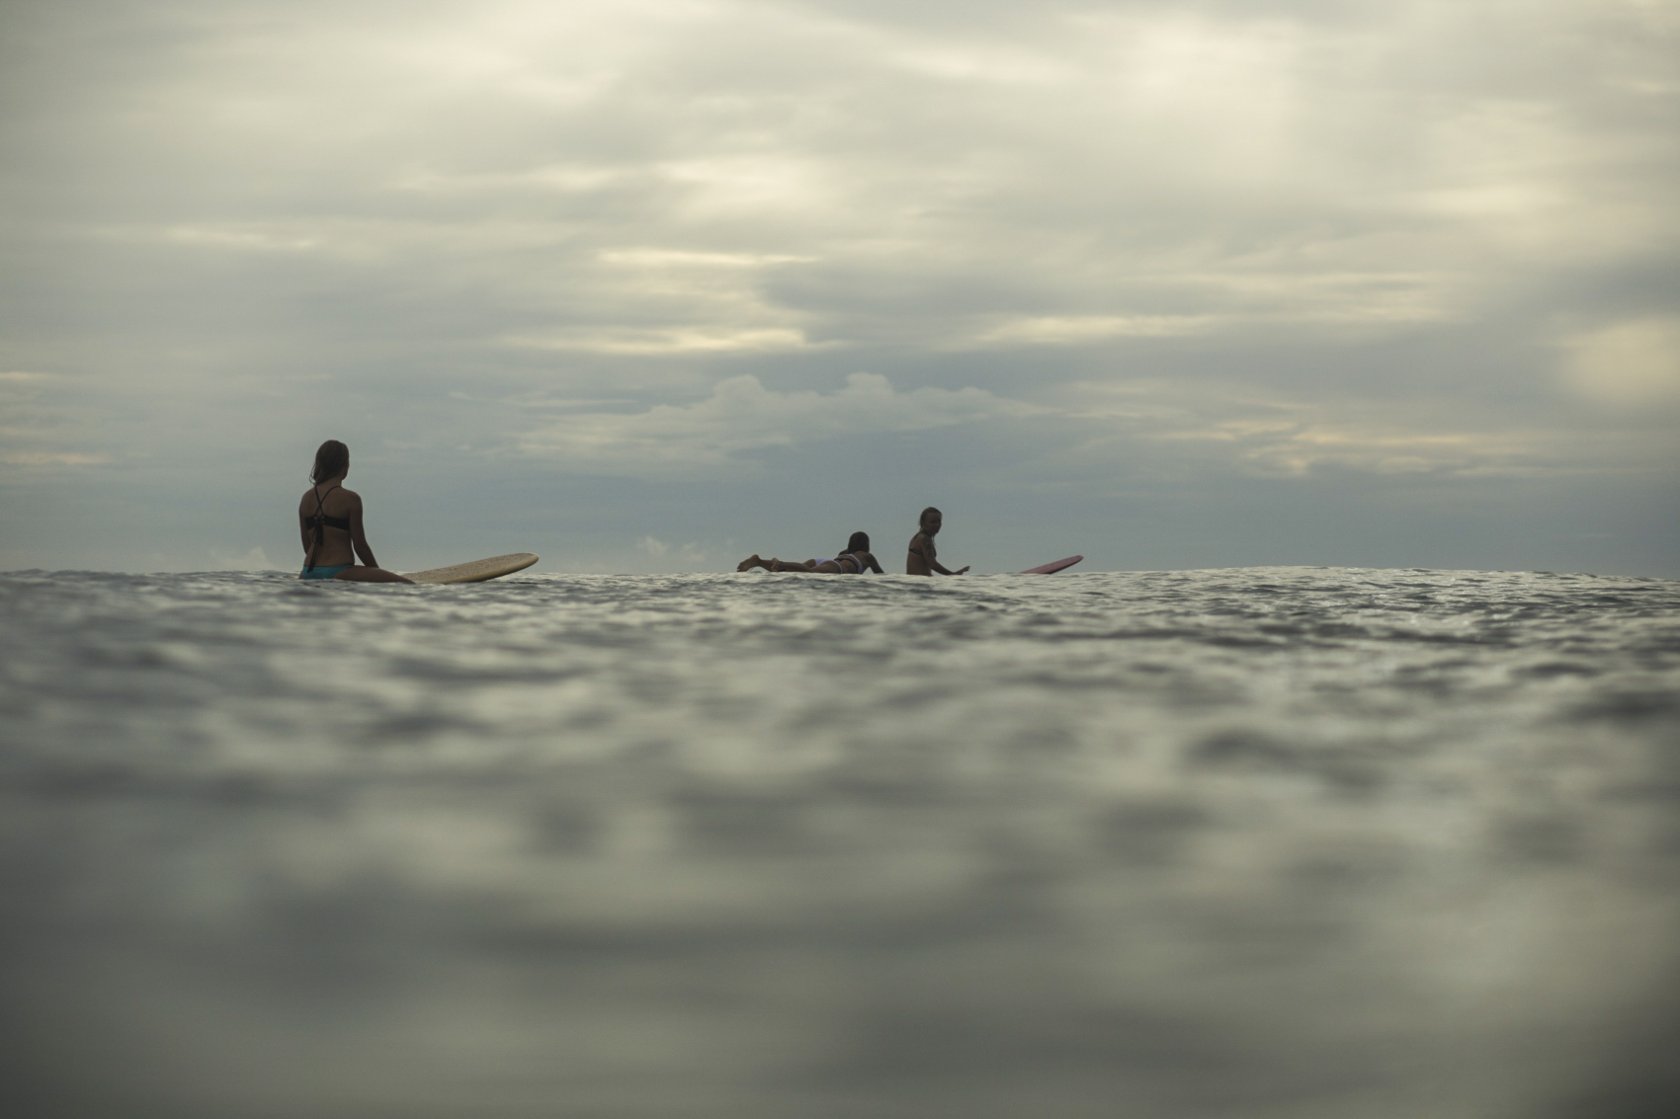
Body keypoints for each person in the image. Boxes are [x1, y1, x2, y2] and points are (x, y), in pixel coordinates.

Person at [297, 440, 412, 582]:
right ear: (344, 466)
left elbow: (307, 544)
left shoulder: (305, 499)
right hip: (339, 570)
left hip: (308, 572)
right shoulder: (351, 499)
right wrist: (377, 573)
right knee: (406, 584)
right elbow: (360, 545)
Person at [737, 531, 885, 574]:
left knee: (799, 569)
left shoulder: (845, 552)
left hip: (825, 561)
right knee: (809, 572)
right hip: (838, 567)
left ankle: (759, 561)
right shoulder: (867, 556)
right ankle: (780, 563)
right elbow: (880, 575)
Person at [906, 506, 968, 576]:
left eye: (939, 521)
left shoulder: (917, 537)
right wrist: (953, 574)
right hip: (919, 583)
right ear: (923, 523)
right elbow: (932, 564)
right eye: (932, 522)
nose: (937, 525)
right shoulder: (924, 539)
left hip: (917, 583)